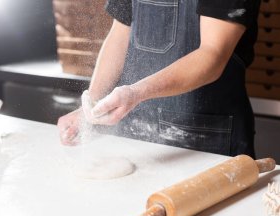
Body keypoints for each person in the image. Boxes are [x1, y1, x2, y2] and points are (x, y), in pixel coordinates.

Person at [57, 0, 261, 157]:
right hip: (137, 133)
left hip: (206, 138)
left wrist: (136, 93)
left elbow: (212, 54)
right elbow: (120, 32)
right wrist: (92, 103)